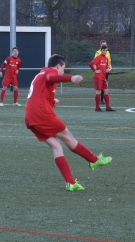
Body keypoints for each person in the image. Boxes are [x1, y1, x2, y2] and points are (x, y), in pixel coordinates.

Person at [25, 54, 112, 191]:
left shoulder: (40, 74)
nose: (62, 71)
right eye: (63, 69)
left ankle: (71, 183)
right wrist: (71, 78)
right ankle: (94, 160)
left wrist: (53, 101)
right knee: (68, 137)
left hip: (31, 117)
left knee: (56, 146)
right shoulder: (50, 72)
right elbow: (51, 77)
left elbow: (40, 95)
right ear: (58, 66)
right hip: (41, 114)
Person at [89, 46, 115, 112]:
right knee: (99, 91)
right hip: (98, 77)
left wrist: (107, 69)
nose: (105, 51)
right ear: (101, 51)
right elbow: (91, 64)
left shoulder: (106, 58)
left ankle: (108, 107)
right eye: (104, 50)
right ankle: (97, 108)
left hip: (103, 77)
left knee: (106, 91)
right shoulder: (98, 57)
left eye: (106, 50)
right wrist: (95, 70)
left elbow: (106, 67)